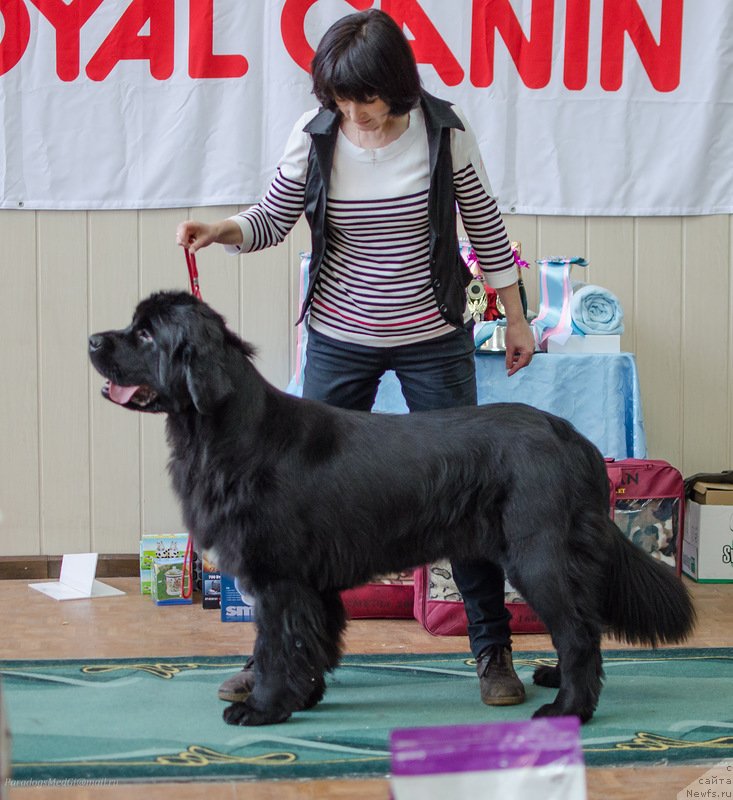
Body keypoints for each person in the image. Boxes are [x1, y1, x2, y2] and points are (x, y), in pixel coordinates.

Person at [177, 9, 535, 710]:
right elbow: (272, 217)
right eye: (339, 99)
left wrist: (515, 317)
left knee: (465, 501)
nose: (354, 113)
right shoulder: (314, 136)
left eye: (365, 98)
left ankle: (490, 650)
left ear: (395, 87)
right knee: (299, 516)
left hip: (433, 335)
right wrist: (223, 229)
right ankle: (278, 657)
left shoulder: (443, 131)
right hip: (341, 336)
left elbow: (486, 226)